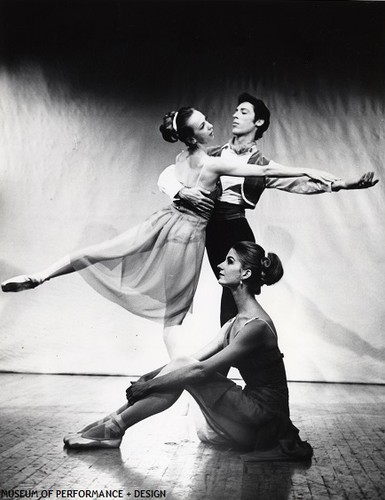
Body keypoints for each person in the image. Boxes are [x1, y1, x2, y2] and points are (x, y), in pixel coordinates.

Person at [1, 106, 338, 358]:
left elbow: (167, 175)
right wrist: (309, 168)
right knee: (172, 320)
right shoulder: (214, 163)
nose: (211, 126)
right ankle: (182, 370)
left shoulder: (181, 157)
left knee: (102, 250)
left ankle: (41, 276)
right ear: (193, 136)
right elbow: (262, 170)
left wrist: (178, 190)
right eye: (204, 125)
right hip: (186, 238)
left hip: (163, 221)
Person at [64, 241, 313, 462]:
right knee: (183, 364)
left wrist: (150, 386)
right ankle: (112, 426)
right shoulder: (236, 321)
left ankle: (113, 429)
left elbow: (201, 369)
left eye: (229, 261)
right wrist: (148, 377)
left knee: (189, 371)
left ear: (245, 273)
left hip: (264, 420)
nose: (219, 265)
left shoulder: (256, 326)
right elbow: (194, 358)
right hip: (250, 414)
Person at [158, 92, 378, 325]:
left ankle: (234, 350)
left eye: (243, 112)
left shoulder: (262, 165)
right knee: (229, 288)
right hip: (211, 232)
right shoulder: (211, 153)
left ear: (258, 122)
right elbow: (169, 173)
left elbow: (297, 183)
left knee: (236, 292)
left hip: (235, 229)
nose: (235, 115)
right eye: (236, 110)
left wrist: (340, 184)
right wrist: (180, 192)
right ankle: (234, 349)